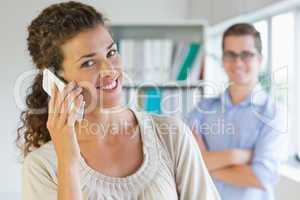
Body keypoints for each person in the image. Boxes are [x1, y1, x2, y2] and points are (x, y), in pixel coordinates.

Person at [16, 1, 220, 200]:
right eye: (88, 63)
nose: (110, 70)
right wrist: (68, 161)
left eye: (111, 53)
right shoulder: (43, 166)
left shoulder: (171, 136)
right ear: (55, 81)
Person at [185, 23, 286, 200]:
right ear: (223, 60)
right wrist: (236, 156)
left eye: (246, 55)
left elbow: (262, 177)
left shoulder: (273, 114)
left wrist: (206, 162)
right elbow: (187, 163)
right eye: (231, 55)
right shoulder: (201, 110)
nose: (238, 62)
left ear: (260, 60)